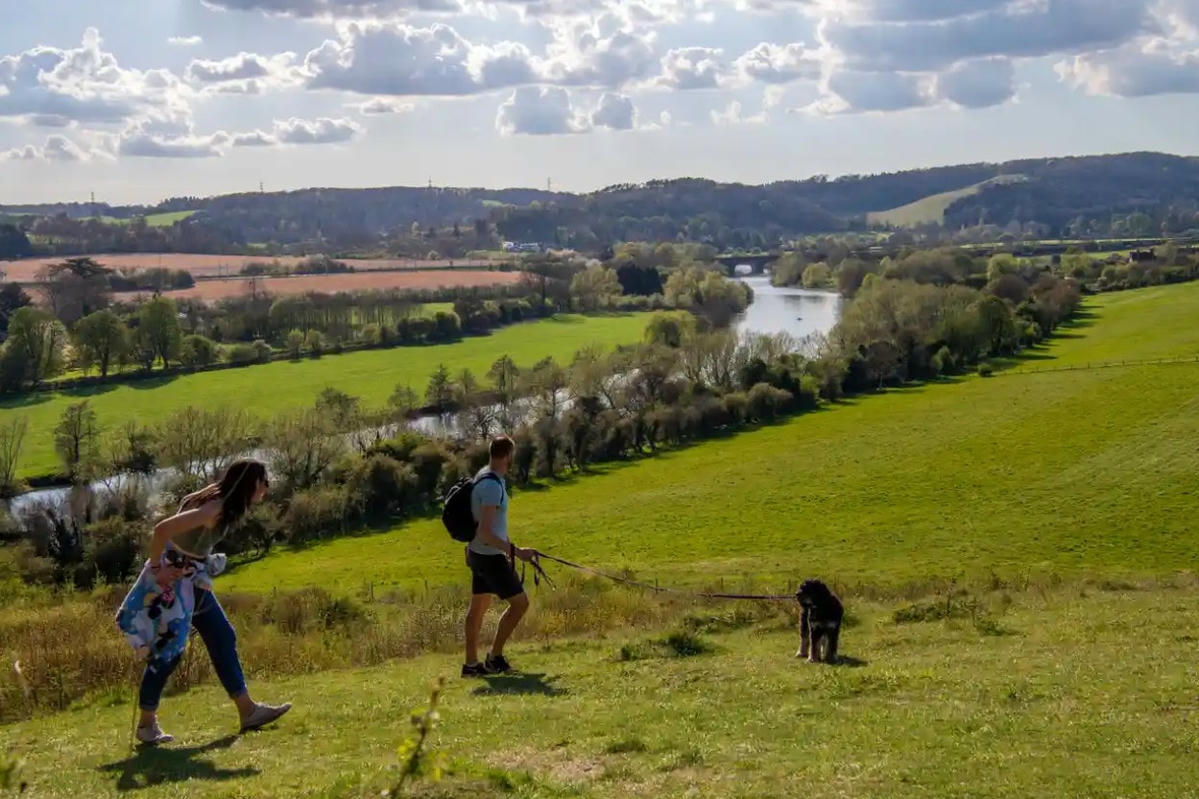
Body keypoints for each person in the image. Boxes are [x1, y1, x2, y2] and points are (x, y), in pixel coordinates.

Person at [116, 459, 291, 745]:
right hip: (178, 582)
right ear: (249, 484)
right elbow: (161, 530)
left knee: (220, 637)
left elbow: (191, 501)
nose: (266, 487)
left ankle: (248, 711)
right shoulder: (215, 508)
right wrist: (159, 569)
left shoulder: (218, 497)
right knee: (169, 652)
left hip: (190, 581)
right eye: (263, 481)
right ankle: (147, 724)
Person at [462, 435, 536, 677]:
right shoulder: (492, 486)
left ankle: (472, 665)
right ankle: (495, 657)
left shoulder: (484, 475)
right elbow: (485, 532)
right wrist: (516, 552)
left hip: (478, 553)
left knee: (478, 608)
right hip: (489, 556)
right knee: (520, 603)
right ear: (508, 456)